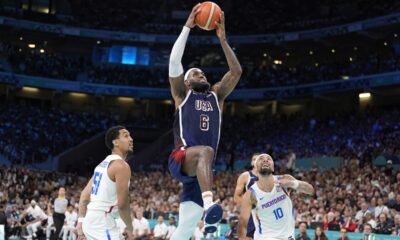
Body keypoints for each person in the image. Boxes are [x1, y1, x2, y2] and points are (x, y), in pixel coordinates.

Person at [168, 3, 242, 238]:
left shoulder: (216, 95)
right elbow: (173, 63)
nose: (203, 75)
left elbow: (236, 71)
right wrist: (187, 28)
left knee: (186, 228)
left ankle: (204, 212)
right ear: (187, 82)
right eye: (197, 74)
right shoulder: (182, 94)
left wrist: (223, 40)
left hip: (201, 168)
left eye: (204, 73)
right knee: (205, 152)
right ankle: (211, 205)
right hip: (182, 158)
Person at [76, 126, 134, 240]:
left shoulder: (101, 166)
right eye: (126, 136)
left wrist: (80, 222)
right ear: (115, 142)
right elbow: (123, 205)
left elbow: (84, 195)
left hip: (93, 220)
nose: (131, 139)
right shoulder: (121, 166)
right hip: (102, 223)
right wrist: (130, 227)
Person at [238, 154, 314, 239]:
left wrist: (292, 183)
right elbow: (242, 224)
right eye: (261, 159)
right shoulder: (250, 194)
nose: (265, 160)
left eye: (269, 159)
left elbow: (310, 190)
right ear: (256, 168)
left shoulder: (285, 179)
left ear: (273, 168)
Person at [234, 153, 259, 238]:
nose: (256, 161)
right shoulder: (246, 176)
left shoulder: (269, 178)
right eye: (254, 159)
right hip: (250, 213)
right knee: (246, 237)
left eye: (258, 159)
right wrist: (249, 206)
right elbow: (236, 197)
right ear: (252, 162)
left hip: (264, 213)